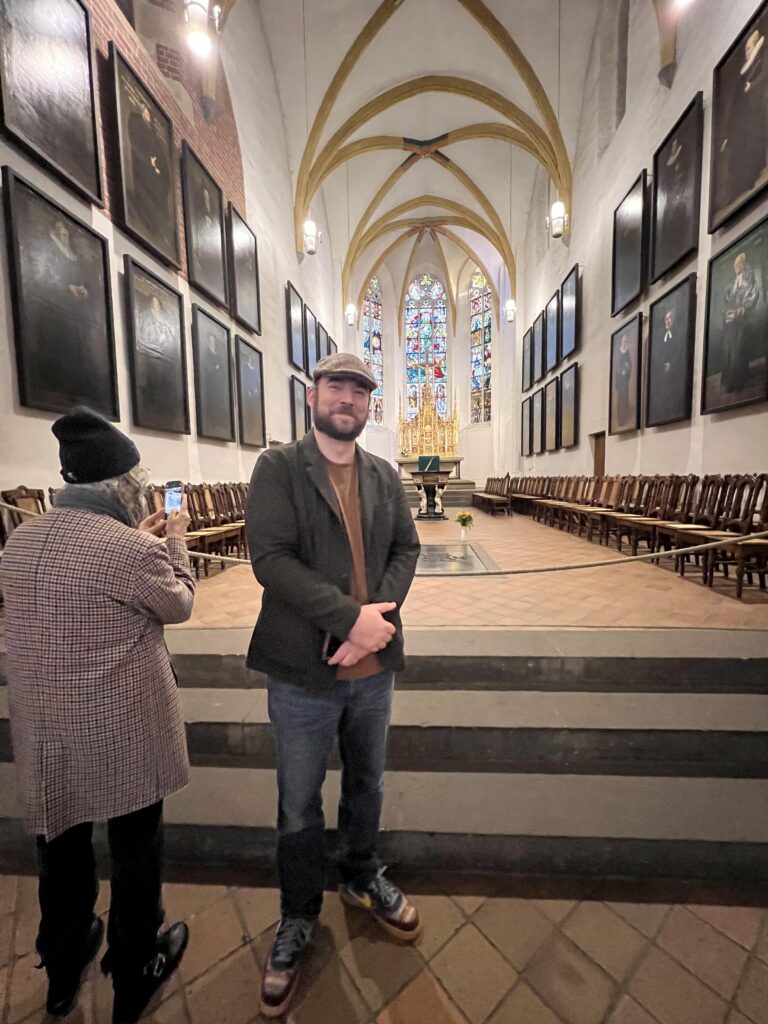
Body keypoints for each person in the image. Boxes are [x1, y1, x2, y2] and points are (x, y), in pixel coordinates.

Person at [0, 408, 194, 1024]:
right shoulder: (129, 548)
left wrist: (142, 540)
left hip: (44, 728)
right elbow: (179, 603)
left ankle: (63, 966)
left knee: (60, 844)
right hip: (121, 725)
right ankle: (134, 967)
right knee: (136, 847)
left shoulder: (20, 540)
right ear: (122, 486)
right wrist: (173, 539)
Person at [246, 353, 421, 1019]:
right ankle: (297, 915)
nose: (347, 398)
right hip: (302, 670)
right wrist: (350, 621)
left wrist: (377, 623)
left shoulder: (383, 474)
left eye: (359, 390)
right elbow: (271, 560)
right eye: (336, 386)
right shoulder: (278, 468)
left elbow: (406, 549)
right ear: (313, 395)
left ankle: (360, 874)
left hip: (373, 671)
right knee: (298, 803)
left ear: (368, 404)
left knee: (367, 782)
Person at [721, 250, 763, 394]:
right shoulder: (732, 284)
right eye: (735, 264)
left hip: (742, 320)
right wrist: (727, 312)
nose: (736, 267)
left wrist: (742, 309)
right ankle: (730, 379)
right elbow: (727, 301)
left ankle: (737, 381)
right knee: (729, 349)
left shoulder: (749, 280)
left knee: (738, 349)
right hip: (730, 320)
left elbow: (753, 296)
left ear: (743, 264)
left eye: (738, 264)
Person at [649, 307, 685, 424]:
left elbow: (680, 353)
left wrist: (671, 364)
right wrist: (662, 365)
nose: (667, 321)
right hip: (661, 372)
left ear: (674, 320)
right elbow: (656, 355)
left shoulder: (679, 337)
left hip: (674, 373)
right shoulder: (660, 338)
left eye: (670, 319)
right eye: (666, 319)